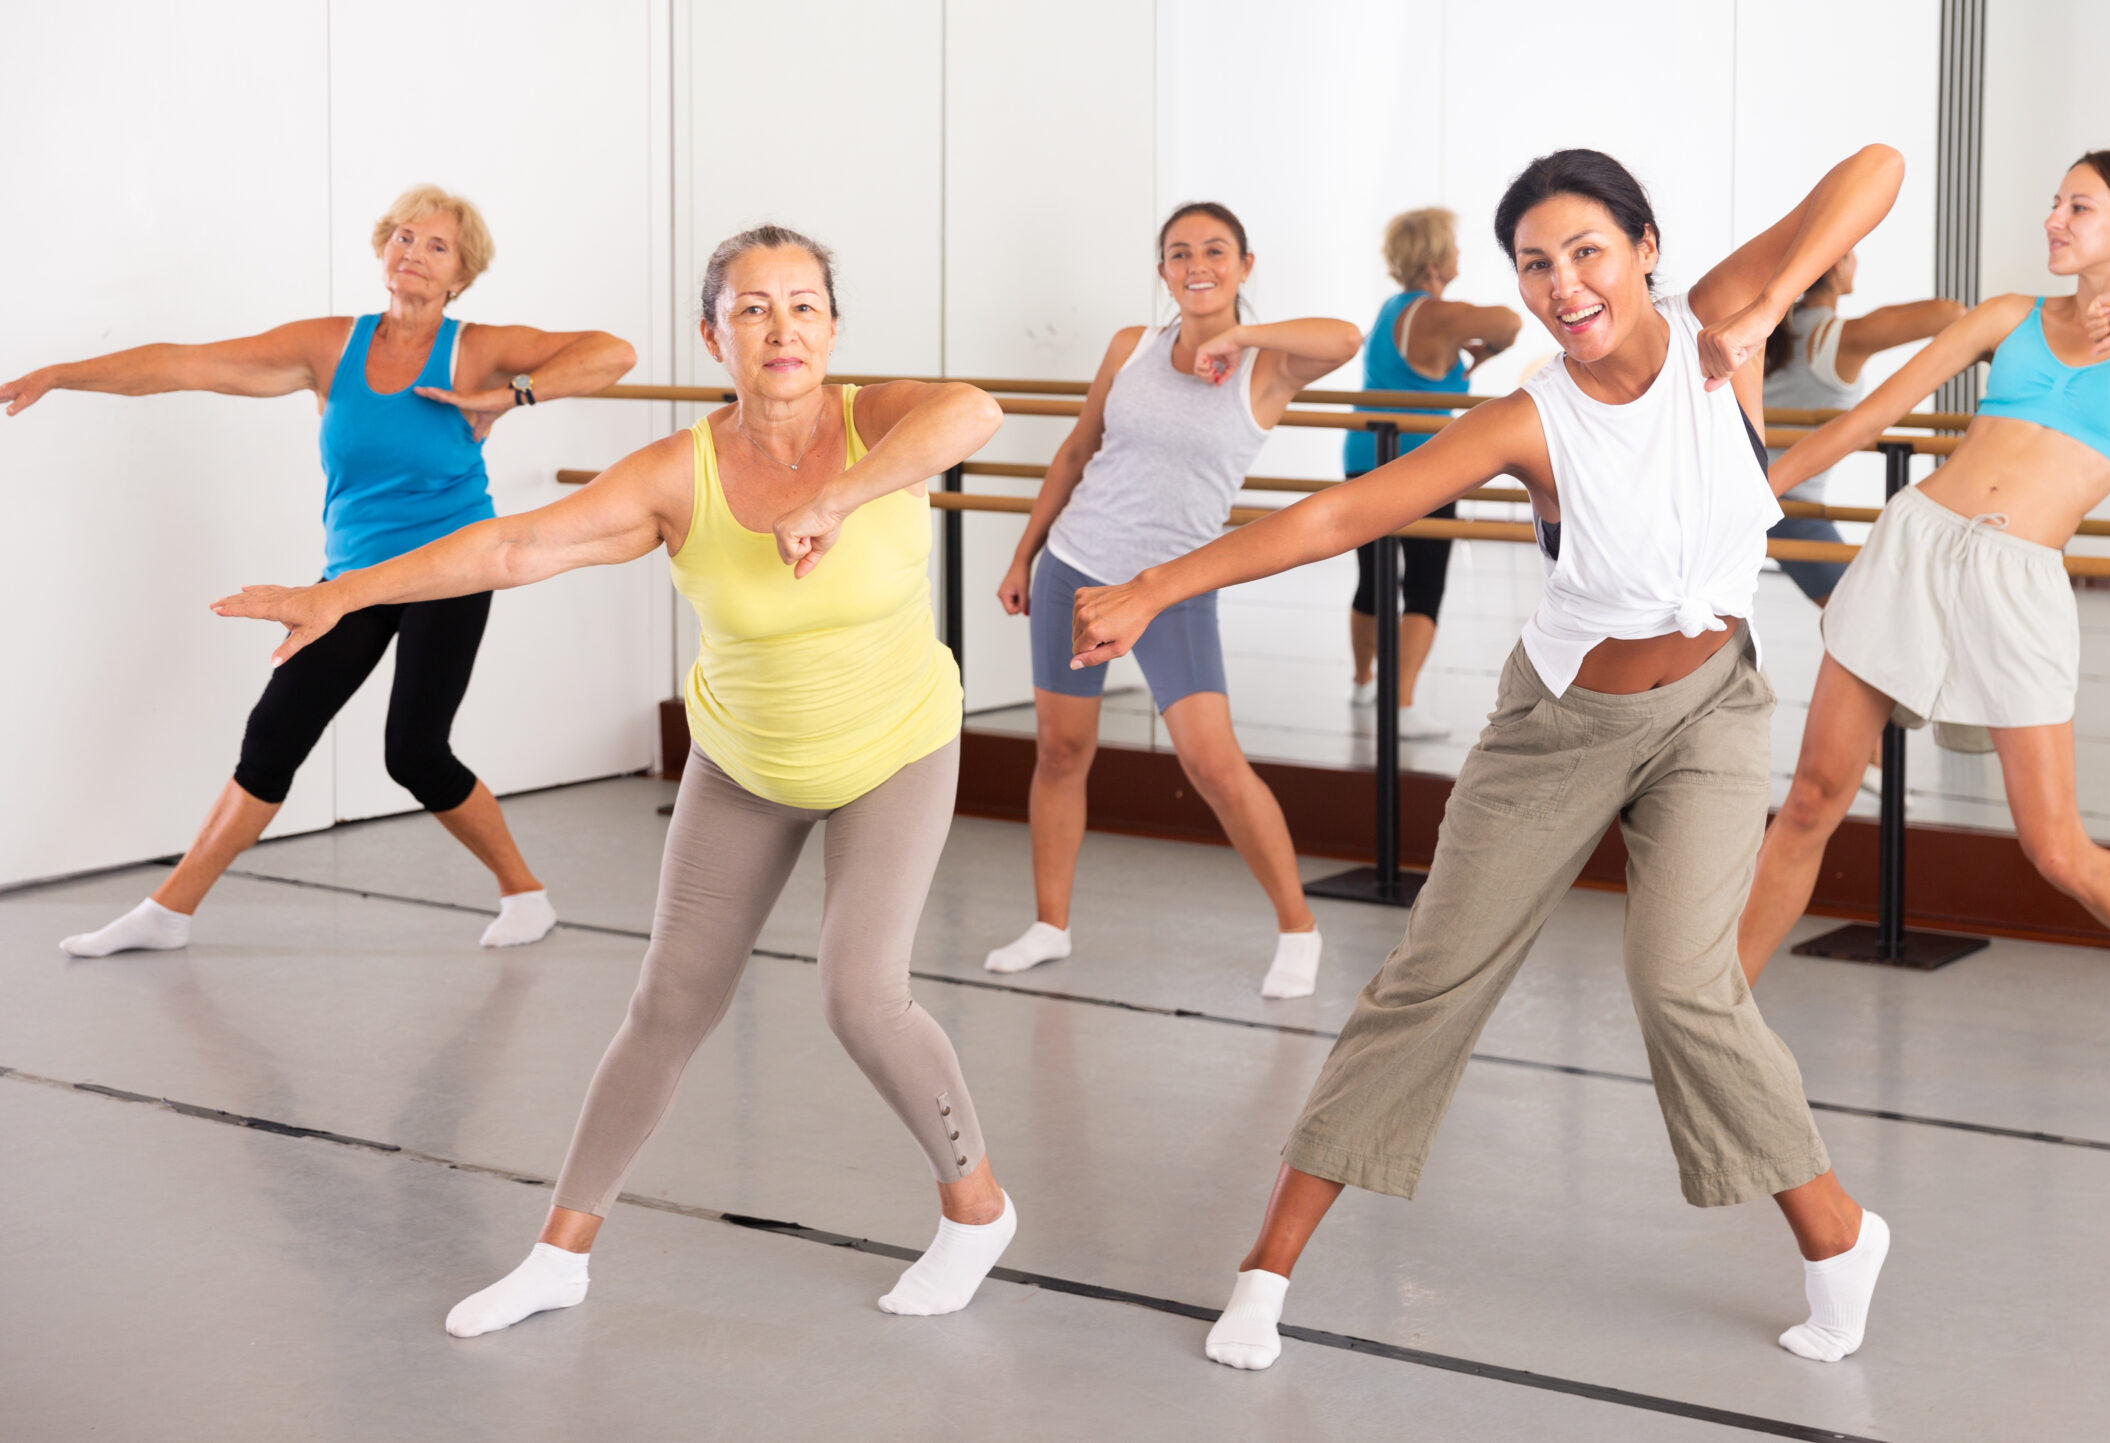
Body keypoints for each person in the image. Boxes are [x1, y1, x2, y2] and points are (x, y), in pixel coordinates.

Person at [1075, 144, 1910, 1369]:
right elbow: (1341, 516)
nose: (1564, 284)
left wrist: (1771, 305)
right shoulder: (1533, 417)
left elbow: (1877, 167)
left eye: (1587, 253)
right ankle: (1266, 1268)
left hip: (1715, 710)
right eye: (1535, 264)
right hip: (1562, 726)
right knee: (1434, 979)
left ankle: (1837, 1235)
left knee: (1685, 985)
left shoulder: (1712, 329)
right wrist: (1156, 582)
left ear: (1644, 253)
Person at [213, 227, 1019, 1336]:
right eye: (750, 309)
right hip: (744, 762)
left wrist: (834, 500)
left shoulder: (874, 419)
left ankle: (976, 1210)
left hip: (896, 748)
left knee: (858, 995)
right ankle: (559, 1254)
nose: (780, 328)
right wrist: (346, 595)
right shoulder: (672, 477)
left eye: (802, 306)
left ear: (832, 328)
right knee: (665, 1006)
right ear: (712, 333)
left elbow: (975, 411)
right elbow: (508, 549)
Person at [1738, 151, 2110, 1107]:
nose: (2054, 220)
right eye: (2054, 204)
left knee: (2056, 849)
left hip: (2017, 584)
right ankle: (1717, 1018)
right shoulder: (2009, 317)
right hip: (1914, 549)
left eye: (2079, 207)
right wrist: (1747, 498)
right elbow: (1864, 420)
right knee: (1808, 799)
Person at [3, 185, 635, 956]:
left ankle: (524, 892)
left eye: (438, 247)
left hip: (451, 566)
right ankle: (167, 912)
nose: (414, 253)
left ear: (460, 277)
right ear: (382, 250)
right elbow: (185, 365)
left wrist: (509, 394)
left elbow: (612, 352)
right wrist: (63, 373)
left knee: (414, 751)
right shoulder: (330, 346)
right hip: (353, 579)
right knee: (275, 732)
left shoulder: (477, 346)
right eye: (404, 237)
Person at [985, 203, 1363, 999]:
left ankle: (1299, 926)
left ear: (1244, 265)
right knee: (1060, 751)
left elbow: (1345, 338)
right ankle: (1050, 923)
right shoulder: (1132, 347)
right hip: (1074, 571)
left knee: (1213, 765)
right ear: (1162, 271)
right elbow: (1077, 450)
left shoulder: (1270, 368)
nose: (1198, 264)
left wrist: (1240, 337)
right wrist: (1025, 554)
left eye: (1215, 251)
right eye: (1180, 252)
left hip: (1173, 590)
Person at [1758, 252, 1978, 763]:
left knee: (1861, 618)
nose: (1858, 264)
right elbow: (1948, 313)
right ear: (1832, 270)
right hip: (1789, 510)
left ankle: (1872, 751)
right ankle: (1867, 753)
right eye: (1850, 256)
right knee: (1865, 619)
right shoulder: (1838, 339)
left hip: (1762, 501)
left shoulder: (1779, 336)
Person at [1342, 206, 1522, 739]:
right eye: (1455, 247)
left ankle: (1362, 682)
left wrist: (1470, 358)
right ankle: (1398, 707)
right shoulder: (1436, 313)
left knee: (1373, 581)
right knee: (1422, 585)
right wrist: (1489, 349)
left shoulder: (1392, 310)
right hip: (1421, 467)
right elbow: (1510, 322)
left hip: (1365, 457)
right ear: (1436, 259)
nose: (1461, 254)